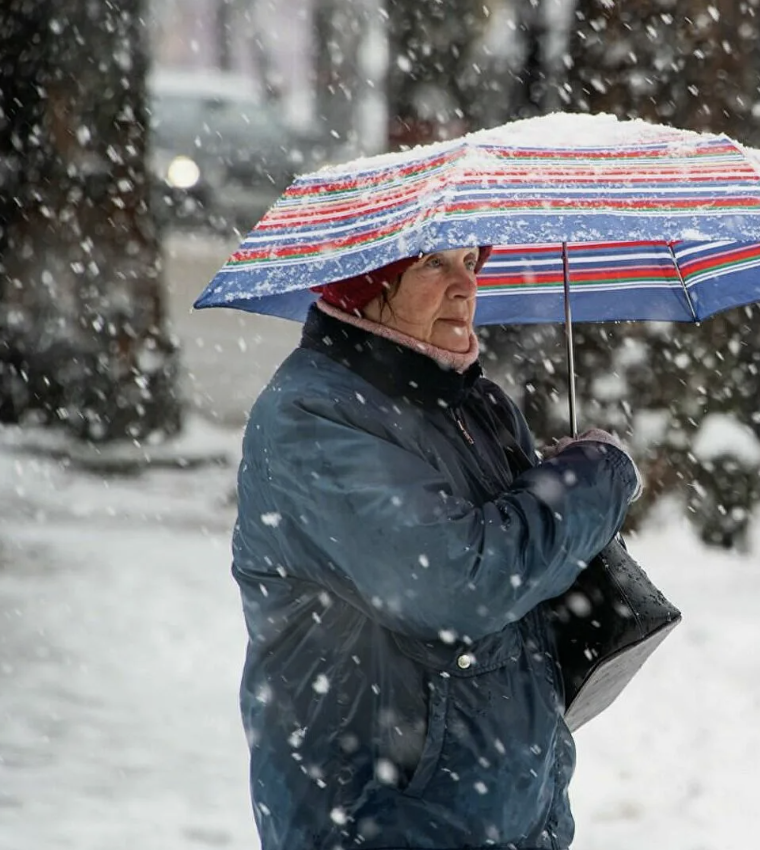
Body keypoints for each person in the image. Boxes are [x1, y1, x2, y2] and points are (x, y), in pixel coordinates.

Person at [230, 246, 641, 850]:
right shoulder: (313, 419)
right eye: (433, 264)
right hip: (378, 826)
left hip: (507, 822)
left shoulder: (473, 402)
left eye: (471, 262)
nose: (465, 287)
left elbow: (524, 573)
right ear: (364, 284)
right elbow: (460, 584)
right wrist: (595, 479)